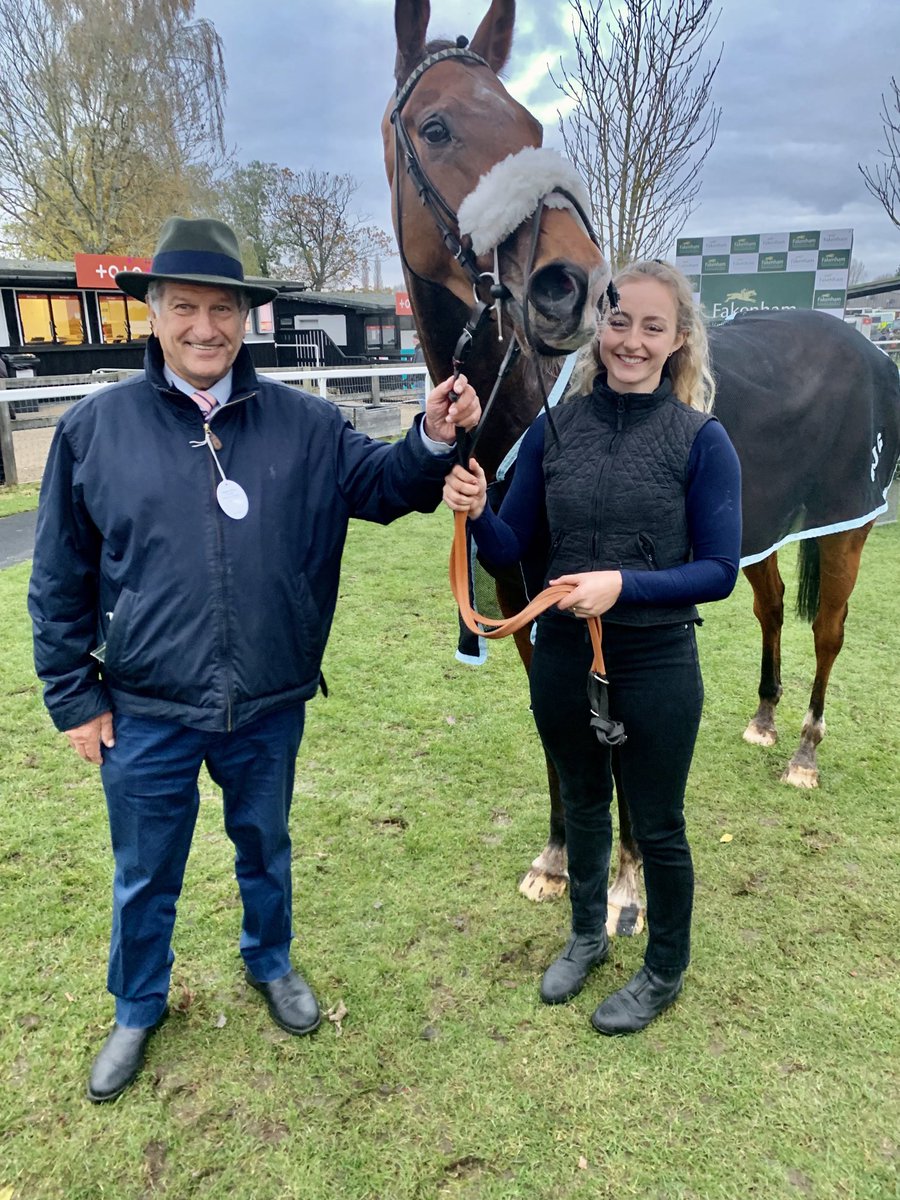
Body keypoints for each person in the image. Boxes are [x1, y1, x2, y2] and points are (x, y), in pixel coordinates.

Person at [28, 216, 481, 1102]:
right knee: (144, 867)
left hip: (269, 700)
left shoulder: (308, 425)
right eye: (186, 307)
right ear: (152, 316)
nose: (206, 327)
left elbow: (386, 489)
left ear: (247, 318)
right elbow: (57, 578)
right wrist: (75, 698)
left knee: (264, 846)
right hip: (147, 705)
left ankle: (270, 962)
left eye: (223, 309)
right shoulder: (94, 431)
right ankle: (137, 1004)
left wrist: (428, 440)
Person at [443, 259, 741, 1035]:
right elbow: (516, 546)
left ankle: (664, 968)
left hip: (657, 662)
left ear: (678, 341)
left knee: (660, 821)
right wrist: (477, 512)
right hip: (566, 655)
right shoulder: (556, 429)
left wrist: (623, 586)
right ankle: (584, 937)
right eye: (619, 321)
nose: (631, 341)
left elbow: (718, 572)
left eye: (652, 326)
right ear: (599, 327)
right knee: (580, 802)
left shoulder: (702, 442)